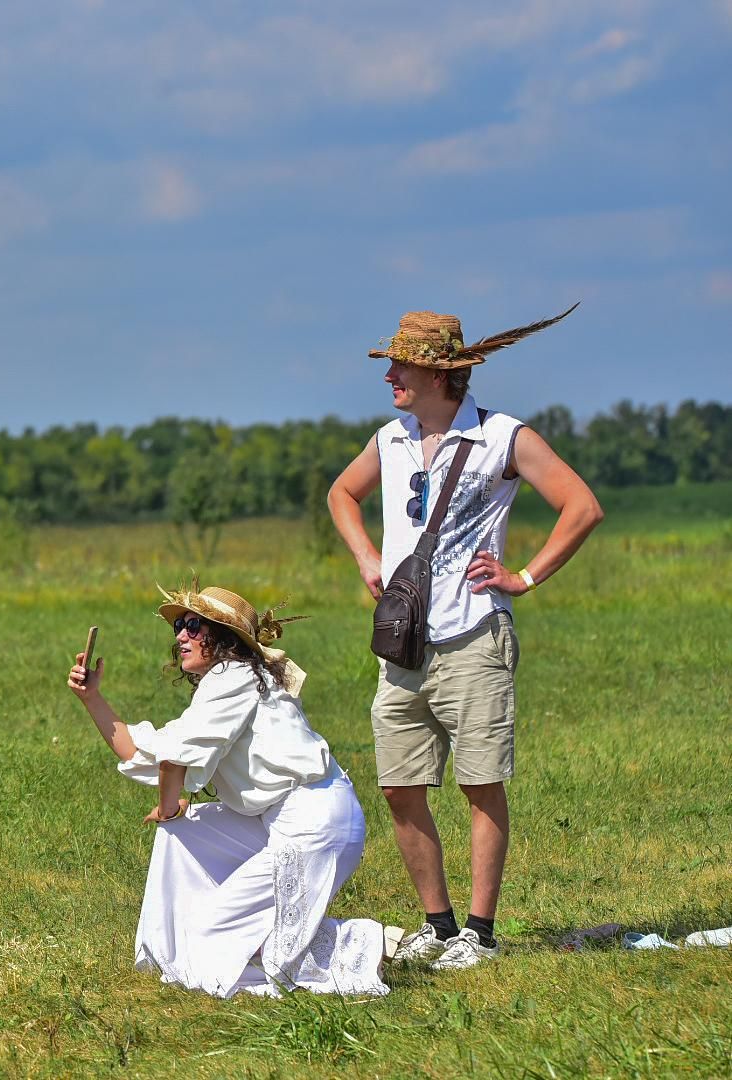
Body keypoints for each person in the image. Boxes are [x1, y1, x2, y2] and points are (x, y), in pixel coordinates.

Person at [327, 306, 603, 970]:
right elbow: (342, 493)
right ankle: (438, 924)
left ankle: (479, 933)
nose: (390, 375)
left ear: (436, 374)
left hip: (476, 633)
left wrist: (525, 575)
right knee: (399, 785)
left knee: (480, 783)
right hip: (405, 647)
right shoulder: (389, 440)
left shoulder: (501, 436)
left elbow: (581, 506)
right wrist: (367, 557)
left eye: (401, 365)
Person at [66, 580, 397, 998]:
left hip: (315, 823)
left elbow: (174, 758)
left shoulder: (233, 675)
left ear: (222, 638)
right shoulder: (227, 682)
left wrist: (169, 806)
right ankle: (191, 940)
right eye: (179, 626)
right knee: (182, 833)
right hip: (278, 818)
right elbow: (147, 751)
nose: (181, 635)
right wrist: (91, 697)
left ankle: (361, 943)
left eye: (193, 625)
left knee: (217, 947)